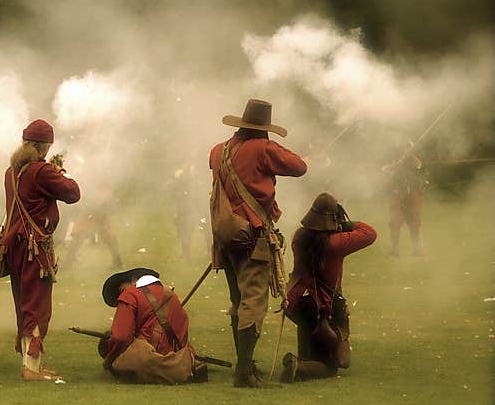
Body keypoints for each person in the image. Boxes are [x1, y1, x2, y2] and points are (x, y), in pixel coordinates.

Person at [209, 99, 307, 388]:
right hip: (252, 236)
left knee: (237, 301)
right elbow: (298, 166)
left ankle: (245, 364)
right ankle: (243, 373)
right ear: (263, 129)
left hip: (224, 236)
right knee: (253, 302)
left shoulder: (218, 150)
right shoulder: (265, 149)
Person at [0, 119, 80, 381]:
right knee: (37, 306)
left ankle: (30, 363)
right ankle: (31, 369)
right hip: (34, 248)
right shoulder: (41, 171)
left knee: (24, 304)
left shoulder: (11, 172)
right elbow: (73, 193)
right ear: (44, 147)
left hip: (16, 246)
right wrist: (62, 172)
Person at [281, 193, 377, 382]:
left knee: (308, 330)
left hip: (296, 301)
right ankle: (298, 367)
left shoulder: (299, 237)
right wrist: (345, 224)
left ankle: (302, 360)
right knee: (329, 368)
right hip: (321, 307)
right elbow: (369, 233)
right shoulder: (336, 243)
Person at [98, 268, 205, 385]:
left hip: (151, 358)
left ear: (134, 280)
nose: (122, 295)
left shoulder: (130, 295)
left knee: (107, 341)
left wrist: (110, 359)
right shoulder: (171, 295)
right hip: (180, 361)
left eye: (123, 289)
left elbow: (120, 337)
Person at [383, 141, 428, 257]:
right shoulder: (394, 159)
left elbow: (419, 165)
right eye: (403, 147)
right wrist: (396, 165)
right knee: (395, 221)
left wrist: (409, 158)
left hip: (412, 192)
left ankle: (416, 249)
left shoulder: (413, 159)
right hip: (396, 193)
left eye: (407, 147)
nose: (405, 149)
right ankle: (395, 249)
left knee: (415, 221)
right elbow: (384, 169)